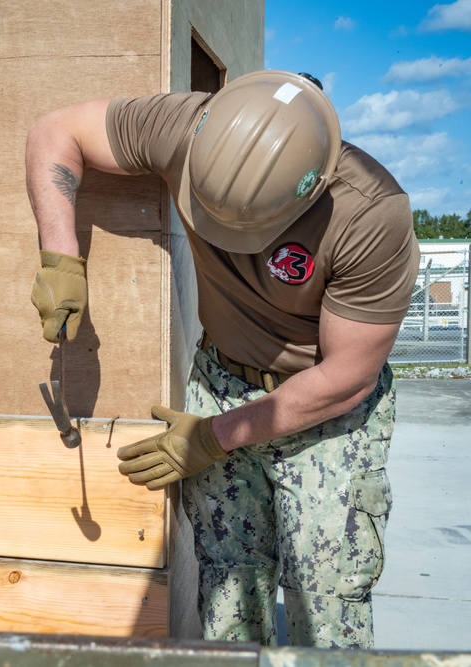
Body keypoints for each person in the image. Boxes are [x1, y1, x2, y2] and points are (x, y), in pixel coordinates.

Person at [26, 70, 419, 648]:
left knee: (325, 604)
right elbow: (55, 131)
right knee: (230, 592)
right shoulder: (187, 127)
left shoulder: (370, 215)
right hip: (223, 377)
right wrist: (61, 258)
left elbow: (346, 378)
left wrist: (212, 437)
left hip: (325, 414)